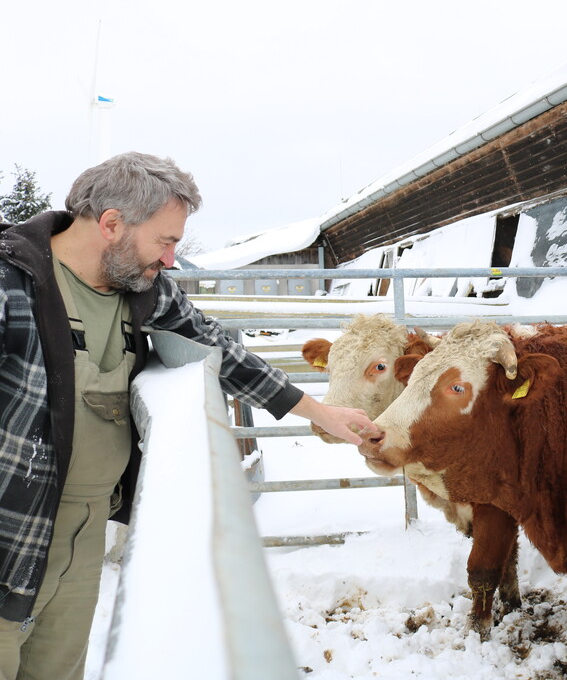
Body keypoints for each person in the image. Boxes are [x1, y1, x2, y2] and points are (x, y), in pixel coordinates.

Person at [0, 151, 376, 680]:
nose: (172, 258)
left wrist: (318, 411)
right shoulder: (11, 283)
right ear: (111, 224)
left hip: (83, 535)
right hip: (12, 530)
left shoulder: (141, 287)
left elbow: (219, 347)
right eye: (166, 240)